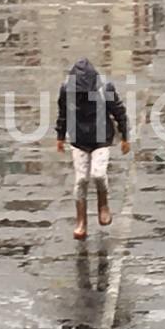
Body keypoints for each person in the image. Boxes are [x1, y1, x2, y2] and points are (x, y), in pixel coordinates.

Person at [55, 58, 130, 239]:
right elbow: (63, 113)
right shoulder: (66, 90)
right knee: (81, 180)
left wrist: (125, 137)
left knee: (98, 174)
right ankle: (81, 220)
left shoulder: (106, 88)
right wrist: (60, 136)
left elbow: (119, 112)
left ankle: (103, 204)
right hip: (78, 139)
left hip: (101, 138)